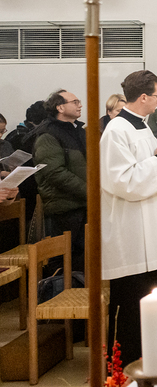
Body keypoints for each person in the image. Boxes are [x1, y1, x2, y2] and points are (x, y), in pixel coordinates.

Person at [101, 70, 157, 366]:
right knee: (130, 302)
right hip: (131, 228)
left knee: (150, 294)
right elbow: (122, 181)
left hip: (150, 221)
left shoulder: (142, 126)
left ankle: (152, 359)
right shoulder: (117, 130)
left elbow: (153, 166)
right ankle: (122, 367)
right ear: (145, 97)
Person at [33, 90, 87, 272]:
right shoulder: (48, 135)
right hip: (64, 208)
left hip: (82, 204)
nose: (80, 105)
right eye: (75, 102)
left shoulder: (78, 131)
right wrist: (90, 191)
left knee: (83, 258)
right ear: (60, 107)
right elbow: (55, 172)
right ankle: (61, 290)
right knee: (64, 261)